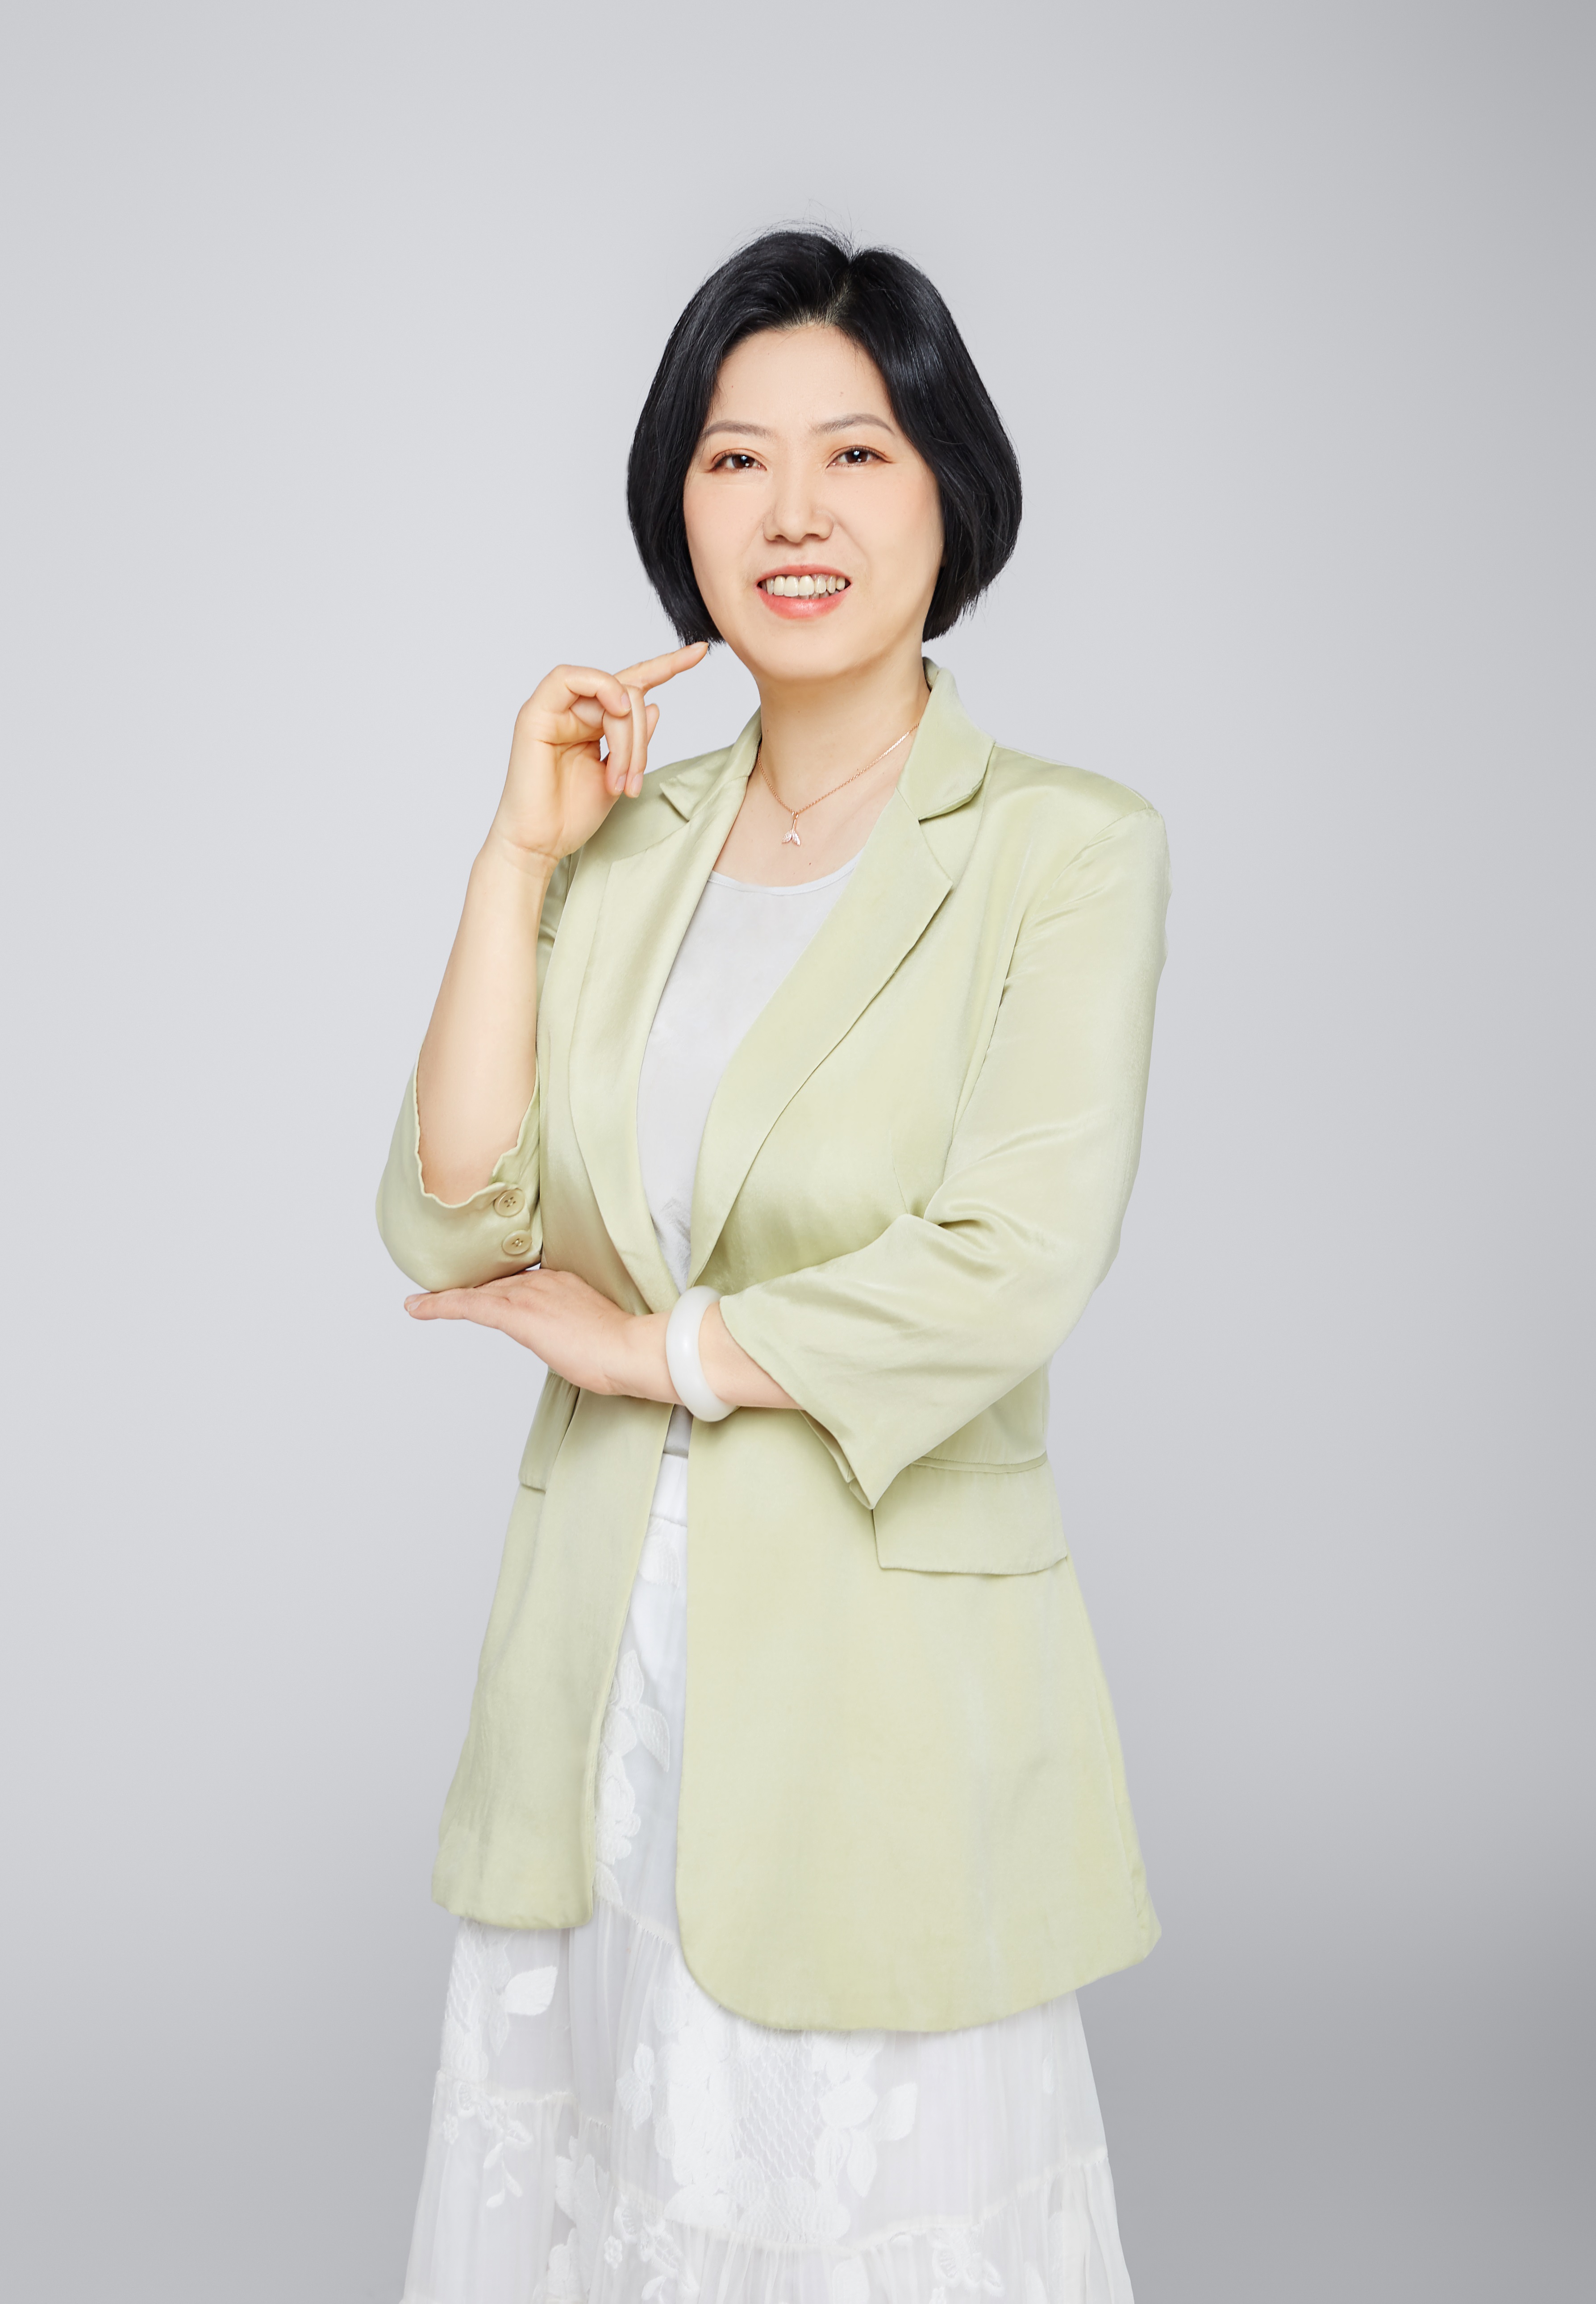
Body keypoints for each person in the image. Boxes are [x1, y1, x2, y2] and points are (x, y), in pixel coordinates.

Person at [377, 226, 1169, 2304]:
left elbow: (1011, 1263)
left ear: (950, 493)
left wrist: (654, 1354)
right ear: (681, 505)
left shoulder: (1064, 850)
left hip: (878, 1691)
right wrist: (516, 861)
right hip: (601, 1678)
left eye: (859, 453)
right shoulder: (629, 848)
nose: (794, 514)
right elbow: (457, 1213)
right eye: (738, 460)